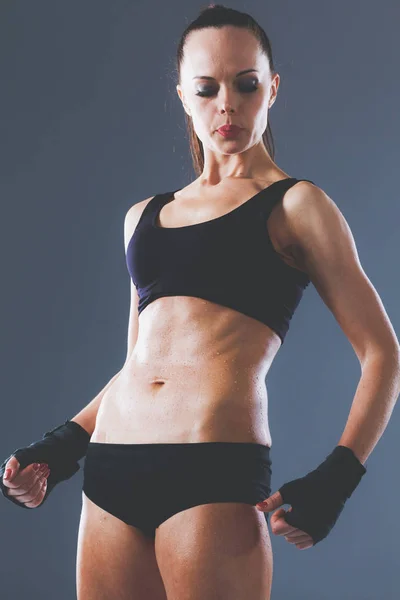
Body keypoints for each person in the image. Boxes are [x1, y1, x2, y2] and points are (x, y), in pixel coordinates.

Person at [2, 5, 398, 600]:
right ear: (183, 94)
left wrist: (339, 476)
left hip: (210, 472)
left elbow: (383, 353)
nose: (228, 105)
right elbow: (139, 364)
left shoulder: (297, 205)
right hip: (109, 471)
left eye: (247, 85)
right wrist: (63, 446)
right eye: (207, 88)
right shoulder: (142, 217)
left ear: (273, 90)